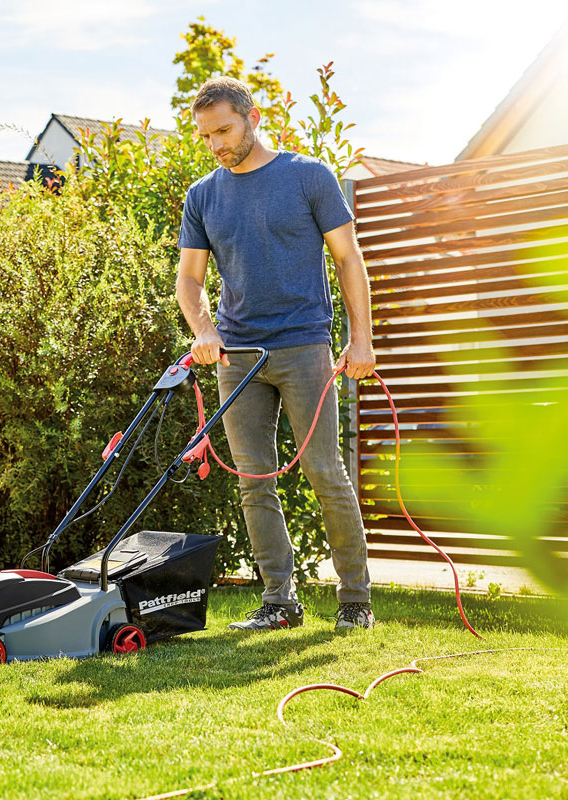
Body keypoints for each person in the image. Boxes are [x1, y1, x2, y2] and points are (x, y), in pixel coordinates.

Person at [174, 76, 376, 631]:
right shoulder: (203, 196)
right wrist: (204, 330)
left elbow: (348, 260)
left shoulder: (308, 177)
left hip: (304, 345)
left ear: (252, 117)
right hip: (236, 355)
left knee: (323, 471)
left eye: (223, 130)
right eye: (205, 135)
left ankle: (355, 602)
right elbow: (189, 281)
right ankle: (279, 603)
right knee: (252, 479)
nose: (215, 143)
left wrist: (362, 340)